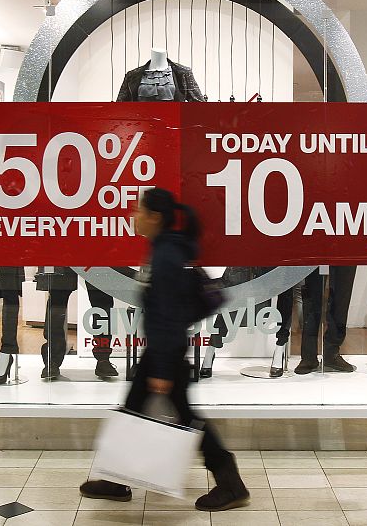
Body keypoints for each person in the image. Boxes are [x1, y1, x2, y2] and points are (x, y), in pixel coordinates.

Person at [80, 188, 249, 512]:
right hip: (163, 350)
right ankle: (117, 479)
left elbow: (169, 313)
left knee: (185, 417)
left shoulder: (166, 256)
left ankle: (231, 484)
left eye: (138, 211)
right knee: (133, 408)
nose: (134, 217)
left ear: (155, 217)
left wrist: (160, 368)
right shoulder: (164, 249)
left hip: (165, 353)